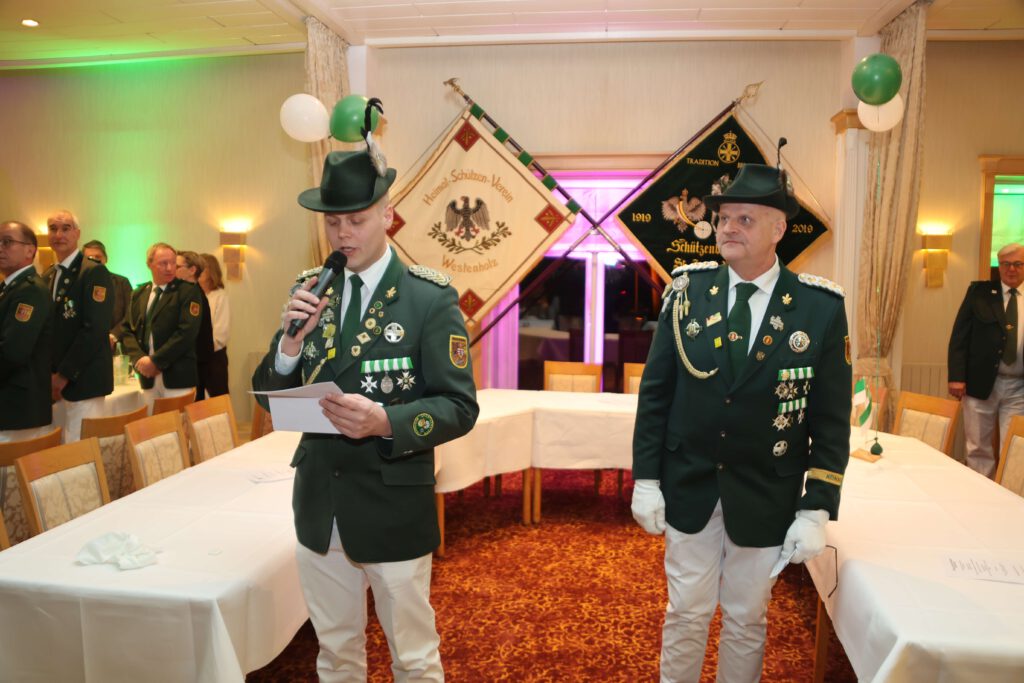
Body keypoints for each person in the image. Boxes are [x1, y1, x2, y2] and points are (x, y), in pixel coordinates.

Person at [252, 148, 479, 681]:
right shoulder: (311, 289)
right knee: (335, 654)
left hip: (391, 500)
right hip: (320, 500)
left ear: (388, 215)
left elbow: (459, 406)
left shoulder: (427, 297)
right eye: (333, 223)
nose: (343, 234)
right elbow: (267, 399)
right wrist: (288, 347)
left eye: (356, 220)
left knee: (414, 657)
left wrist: (385, 423)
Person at [631, 163, 851, 682]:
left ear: (779, 229)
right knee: (686, 612)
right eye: (724, 217)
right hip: (689, 484)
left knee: (747, 619)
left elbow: (831, 418)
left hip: (766, 491)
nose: (728, 227)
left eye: (745, 219)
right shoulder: (686, 293)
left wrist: (817, 506)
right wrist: (645, 479)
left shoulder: (818, 309)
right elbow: (656, 394)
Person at [948, 242, 1024, 477]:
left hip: (1019, 388)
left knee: (1016, 448)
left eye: (1018, 264)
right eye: (1006, 264)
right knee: (978, 448)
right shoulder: (979, 293)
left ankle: (1012, 494)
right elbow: (959, 336)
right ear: (999, 266)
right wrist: (956, 377)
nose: (1011, 269)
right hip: (979, 383)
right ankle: (980, 492)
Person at [44, 210, 114, 442]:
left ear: (77, 233)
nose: (59, 234)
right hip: (55, 383)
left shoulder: (93, 272)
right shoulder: (49, 275)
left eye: (66, 228)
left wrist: (64, 374)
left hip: (84, 380)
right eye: (53, 229)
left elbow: (94, 329)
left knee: (81, 452)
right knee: (58, 450)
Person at [120, 243, 202, 411]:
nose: (170, 268)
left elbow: (186, 333)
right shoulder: (139, 293)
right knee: (152, 424)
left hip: (177, 376)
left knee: (177, 424)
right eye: (163, 263)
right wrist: (139, 359)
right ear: (150, 264)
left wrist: (156, 361)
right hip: (147, 376)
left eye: (173, 263)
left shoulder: (187, 291)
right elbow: (127, 329)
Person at [0, 221, 53, 442]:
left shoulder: (30, 291)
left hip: (17, 407)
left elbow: (13, 351)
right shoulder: (10, 288)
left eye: (7, 242)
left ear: (30, 250)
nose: (0, 248)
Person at [175, 251, 216, 399]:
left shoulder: (194, 295)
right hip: (191, 360)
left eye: (177, 266)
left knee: (193, 404)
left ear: (192, 270)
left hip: (195, 362)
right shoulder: (186, 293)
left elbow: (188, 331)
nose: (172, 269)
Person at [82, 239, 133, 348]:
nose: (94, 260)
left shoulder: (122, 283)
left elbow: (131, 314)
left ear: (106, 258)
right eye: (89, 258)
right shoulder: (78, 285)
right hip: (86, 346)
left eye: (98, 257)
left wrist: (113, 335)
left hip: (117, 345)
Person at [198, 252, 230, 396]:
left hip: (214, 357)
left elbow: (220, 334)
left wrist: (203, 348)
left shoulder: (220, 296)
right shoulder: (194, 295)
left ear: (211, 271)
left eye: (202, 269)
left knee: (218, 399)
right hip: (197, 358)